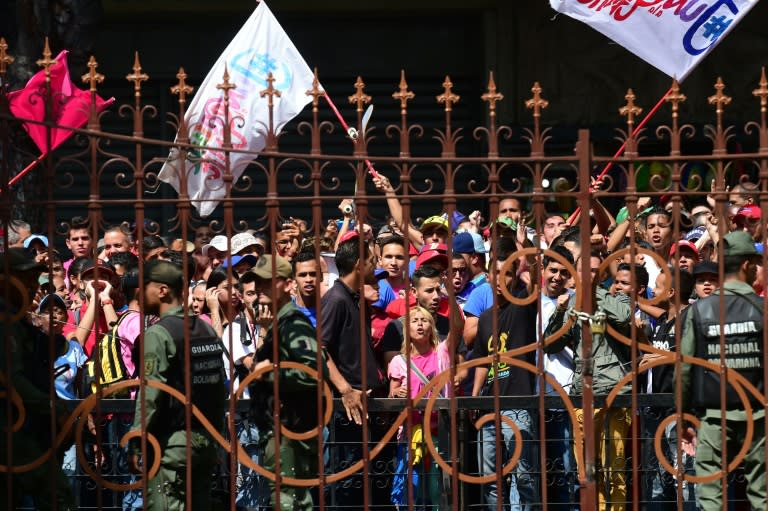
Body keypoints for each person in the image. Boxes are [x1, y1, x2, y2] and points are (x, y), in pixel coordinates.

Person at [545, 229, 633, 511]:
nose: (590, 275)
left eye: (595, 272)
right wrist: (562, 311)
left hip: (613, 396)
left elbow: (624, 317)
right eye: (586, 272)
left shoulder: (615, 299)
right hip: (582, 396)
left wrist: (591, 291)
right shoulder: (570, 303)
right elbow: (549, 343)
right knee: (587, 473)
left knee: (614, 471)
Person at [127, 260, 226, 511]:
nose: (139, 293)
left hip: (171, 446)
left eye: (144, 286)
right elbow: (218, 389)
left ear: (162, 290)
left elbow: (150, 393)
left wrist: (138, 439)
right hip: (205, 442)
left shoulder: (158, 334)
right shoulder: (205, 329)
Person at [679, 231, 766, 510]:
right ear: (746, 266)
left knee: (711, 497)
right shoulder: (761, 309)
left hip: (713, 418)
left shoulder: (700, 310)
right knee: (761, 495)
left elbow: (685, 367)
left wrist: (682, 415)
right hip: (758, 415)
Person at [248, 255, 328, 510]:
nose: (259, 289)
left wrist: (269, 373)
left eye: (266, 282)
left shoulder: (293, 324)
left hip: (290, 432)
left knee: (289, 501)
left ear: (285, 284)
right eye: (257, 284)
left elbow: (314, 372)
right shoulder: (280, 323)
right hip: (280, 429)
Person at [0, 248, 75, 509]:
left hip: (27, 428)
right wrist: (53, 406)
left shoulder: (18, 321)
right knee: (58, 495)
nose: (33, 287)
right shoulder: (5, 322)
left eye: (35, 280)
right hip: (14, 431)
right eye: (26, 279)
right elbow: (13, 379)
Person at [472, 242, 539, 511]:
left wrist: (523, 250)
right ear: (487, 276)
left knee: (523, 475)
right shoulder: (486, 318)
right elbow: (481, 360)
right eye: (496, 273)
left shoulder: (522, 305)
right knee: (489, 477)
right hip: (489, 405)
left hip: (518, 403)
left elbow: (535, 279)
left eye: (507, 274)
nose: (501, 280)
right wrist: (475, 397)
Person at [319, 231, 383, 509]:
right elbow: (318, 349)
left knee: (363, 482)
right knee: (345, 481)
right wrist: (345, 389)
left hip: (366, 404)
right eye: (372, 260)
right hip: (348, 410)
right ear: (359, 263)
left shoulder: (354, 298)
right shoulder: (336, 299)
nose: (375, 265)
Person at [388, 306, 451, 508]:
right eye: (414, 321)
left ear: (432, 327)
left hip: (437, 432)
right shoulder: (399, 361)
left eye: (424, 320)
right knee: (410, 487)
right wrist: (396, 394)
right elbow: (392, 395)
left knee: (436, 488)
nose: (420, 324)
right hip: (409, 433)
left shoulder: (442, 355)